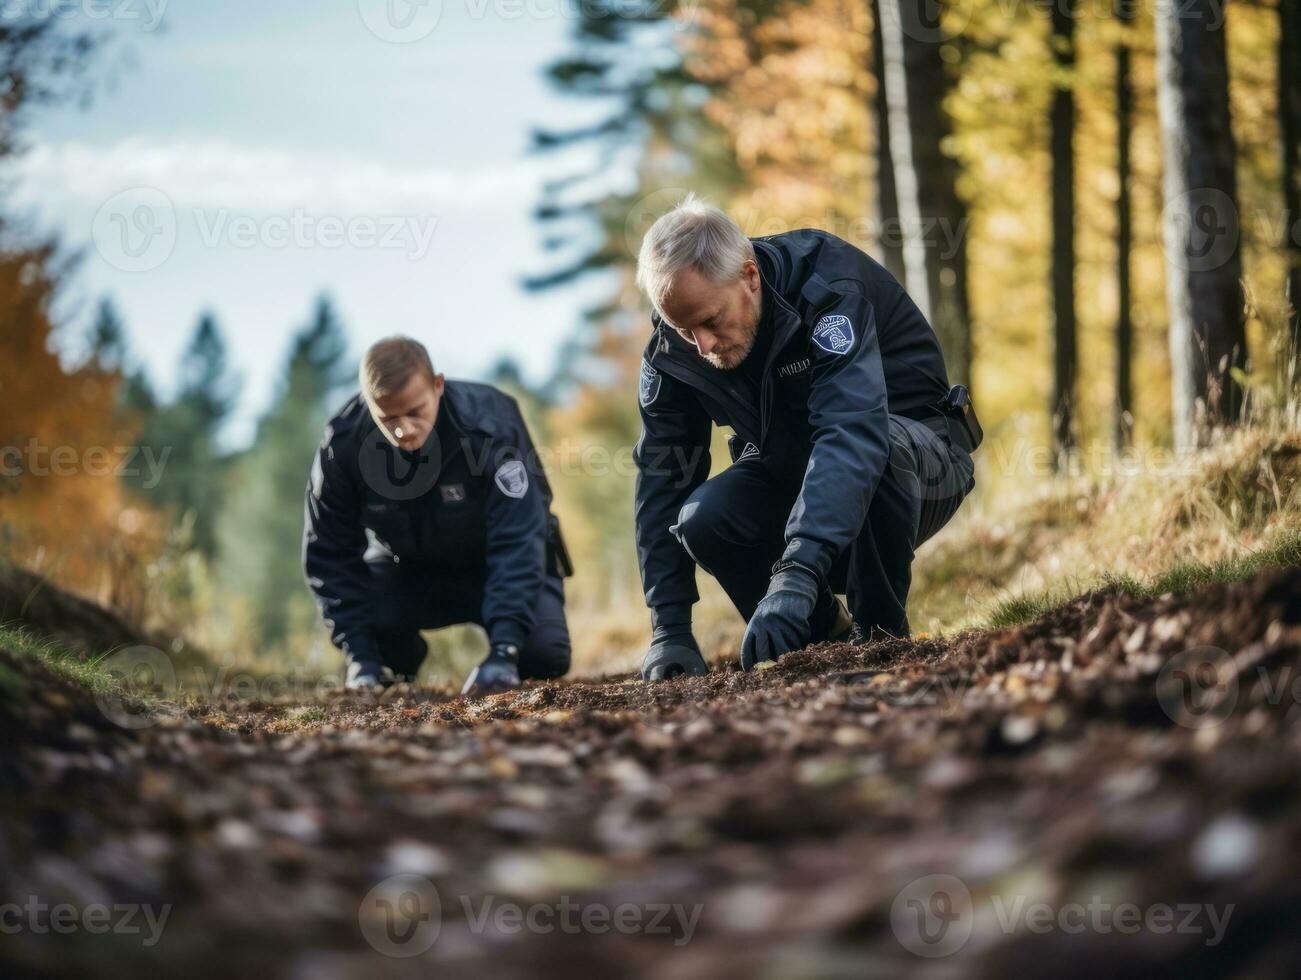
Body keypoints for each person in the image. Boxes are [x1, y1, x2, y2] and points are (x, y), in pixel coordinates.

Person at [633, 196, 981, 680]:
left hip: (917, 465)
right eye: (683, 329)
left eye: (711, 321)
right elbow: (661, 480)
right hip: (799, 474)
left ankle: (880, 642)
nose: (702, 346)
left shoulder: (827, 286)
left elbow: (851, 432)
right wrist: (668, 628)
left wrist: (796, 570)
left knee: (873, 447)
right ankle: (822, 642)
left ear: (750, 277)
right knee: (704, 517)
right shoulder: (675, 348)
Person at [303, 336, 573, 694]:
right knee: (379, 652)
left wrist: (504, 651)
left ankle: (508, 647)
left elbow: (520, 537)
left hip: (494, 566)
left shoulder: (490, 423)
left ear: (438, 386)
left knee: (544, 656)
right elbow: (329, 553)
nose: (404, 430)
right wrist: (361, 656)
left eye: (416, 412)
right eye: (388, 418)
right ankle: (390, 660)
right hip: (409, 574)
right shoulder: (344, 445)